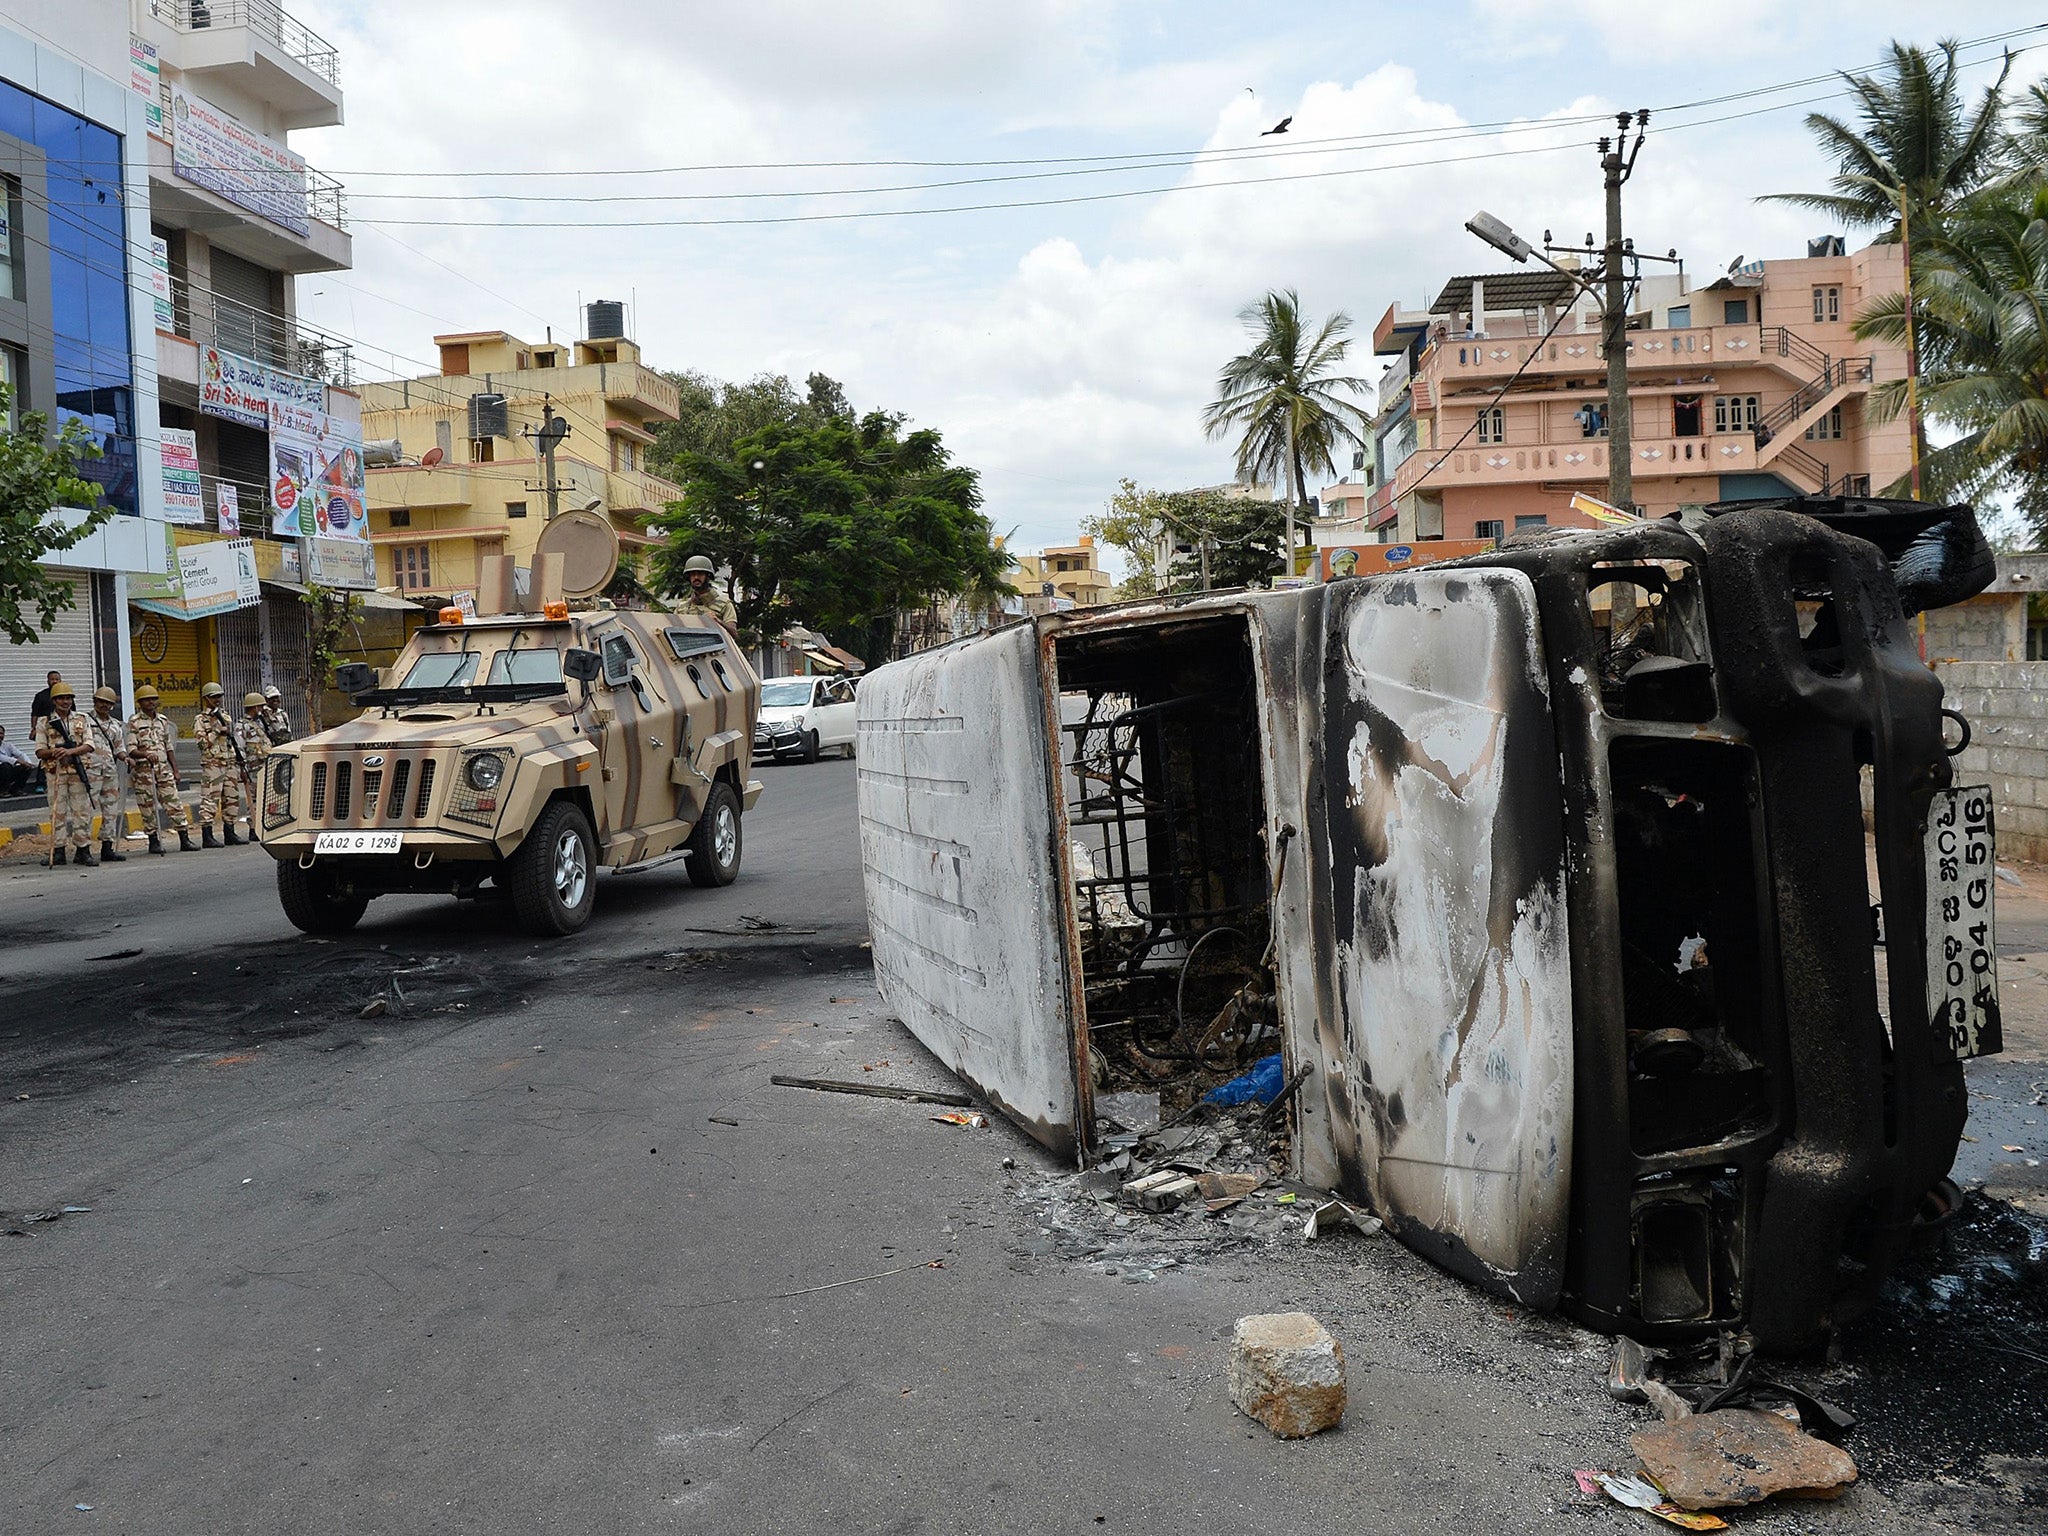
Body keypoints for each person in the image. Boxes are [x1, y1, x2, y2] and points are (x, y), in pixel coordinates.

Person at [34, 681, 98, 867]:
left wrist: (70, 752)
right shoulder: (44, 722)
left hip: (78, 772)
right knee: (57, 812)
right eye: (61, 698)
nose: (65, 701)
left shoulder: (82, 719)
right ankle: (59, 851)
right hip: (56, 774)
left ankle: (83, 850)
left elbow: (90, 745)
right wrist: (54, 752)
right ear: (54, 700)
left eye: (69, 698)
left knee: (82, 812)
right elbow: (39, 751)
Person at [127, 684, 196, 855]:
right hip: (144, 772)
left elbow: (169, 747)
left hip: (163, 769)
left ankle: (184, 838)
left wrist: (176, 769)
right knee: (148, 808)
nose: (151, 702)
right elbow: (131, 750)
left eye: (153, 699)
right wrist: (145, 754)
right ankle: (154, 841)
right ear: (140, 702)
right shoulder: (134, 722)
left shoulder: (163, 721)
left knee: (174, 803)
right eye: (147, 700)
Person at [193, 681, 250, 847]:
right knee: (210, 800)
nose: (217, 699)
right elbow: (202, 744)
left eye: (219, 696)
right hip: (213, 764)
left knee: (231, 799)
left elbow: (230, 740)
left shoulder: (224, 716)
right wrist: (217, 730)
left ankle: (230, 832)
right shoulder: (201, 720)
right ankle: (207, 835)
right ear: (206, 699)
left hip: (229, 762)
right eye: (213, 697)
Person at [82, 687, 130, 863]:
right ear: (95, 702)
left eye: (108, 703)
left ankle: (107, 848)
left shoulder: (115, 725)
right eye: (101, 702)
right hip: (90, 771)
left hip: (110, 771)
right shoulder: (84, 721)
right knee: (85, 811)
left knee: (111, 810)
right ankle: (84, 849)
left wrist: (126, 758)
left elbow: (119, 749)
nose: (104, 706)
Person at [677, 555, 738, 632]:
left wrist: (717, 621)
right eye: (692, 574)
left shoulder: (724, 604)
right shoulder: (681, 607)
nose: (696, 577)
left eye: (700, 574)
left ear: (708, 576)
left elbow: (734, 633)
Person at [0, 723, 36, 794]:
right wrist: (18, 761)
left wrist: (28, 763)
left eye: (1, 733)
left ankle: (16, 789)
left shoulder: (8, 745)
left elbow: (20, 754)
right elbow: (2, 758)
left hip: (6, 774)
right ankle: (2, 791)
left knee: (26, 768)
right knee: (5, 766)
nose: (0, 735)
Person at [29, 668, 59, 741]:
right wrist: (34, 729)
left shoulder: (66, 695)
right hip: (45, 727)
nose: (55, 681)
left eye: (57, 679)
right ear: (48, 681)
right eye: (52, 679)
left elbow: (73, 711)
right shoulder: (40, 696)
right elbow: (34, 714)